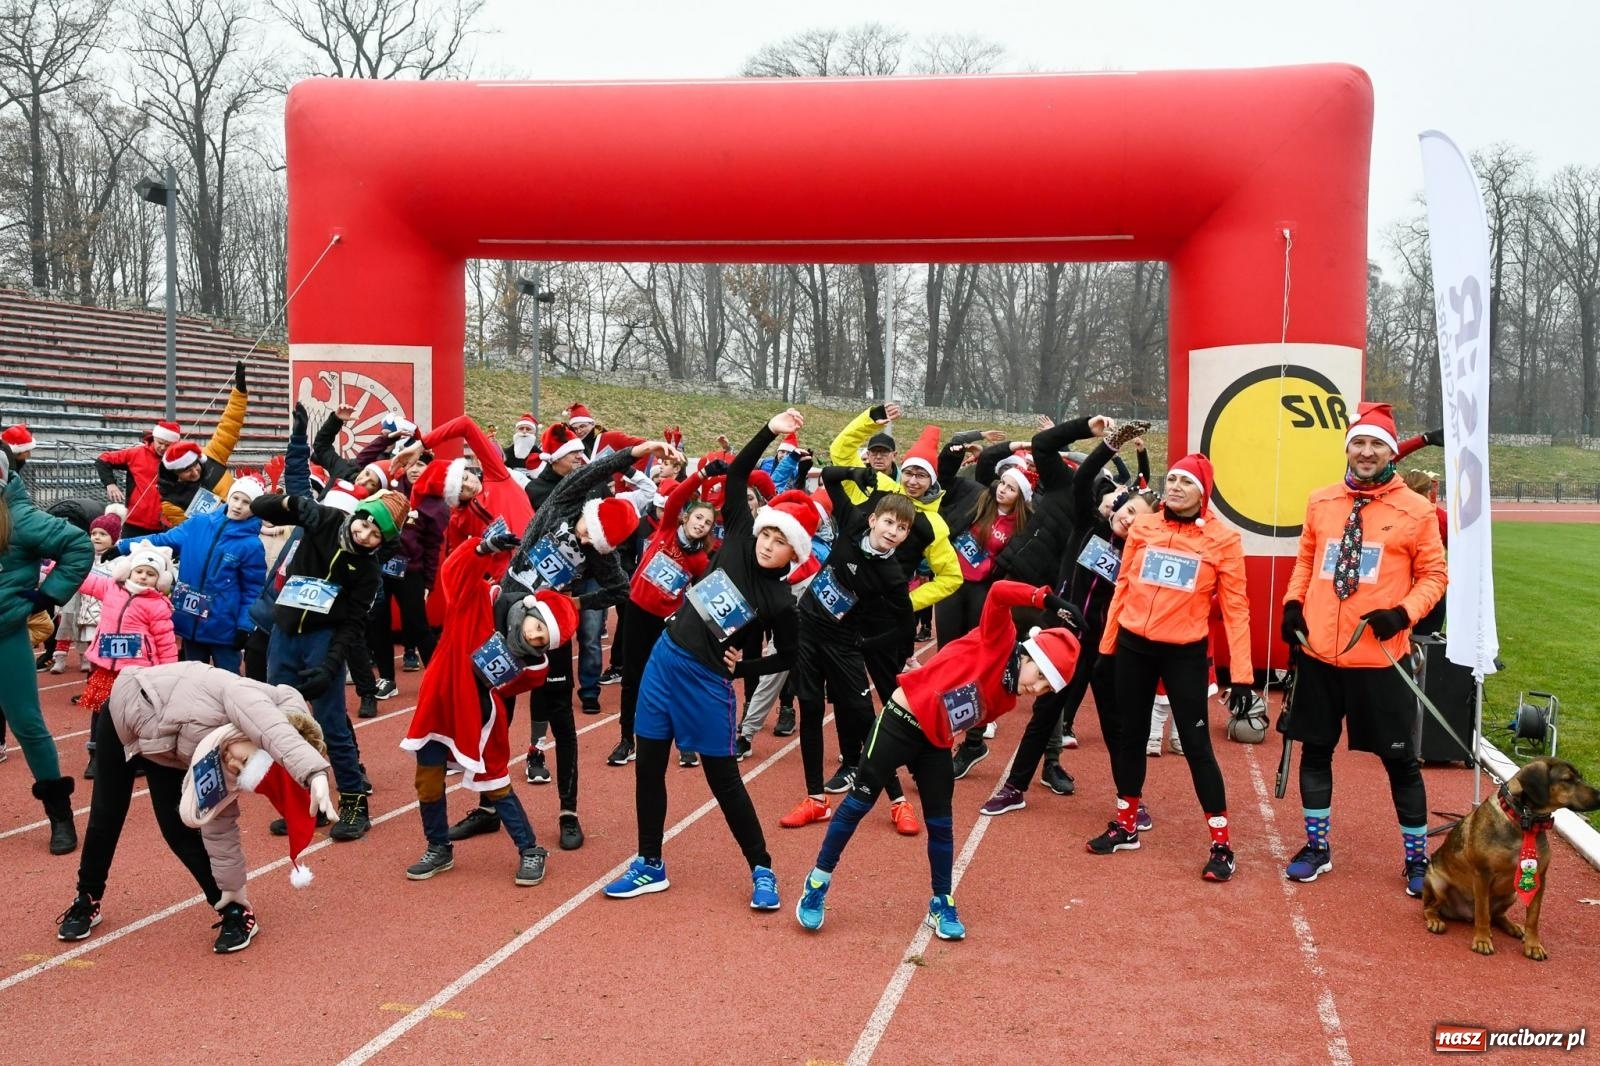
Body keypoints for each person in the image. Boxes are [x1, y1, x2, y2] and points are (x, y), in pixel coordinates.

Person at [793, 580, 1080, 938]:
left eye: (1045, 689)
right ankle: (817, 883)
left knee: (942, 824)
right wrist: (1045, 598)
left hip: (935, 744)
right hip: (900, 720)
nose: (1035, 690)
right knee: (857, 805)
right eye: (1038, 677)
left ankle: (941, 901)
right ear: (1027, 655)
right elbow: (999, 592)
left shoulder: (1007, 699)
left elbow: (964, 711)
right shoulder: (999, 638)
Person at [604, 409, 809, 911]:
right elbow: (737, 474)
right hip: (664, 660)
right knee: (648, 768)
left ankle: (762, 868)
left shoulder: (781, 602)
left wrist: (744, 669)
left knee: (724, 781)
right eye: (769, 533)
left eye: (781, 541)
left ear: (793, 553)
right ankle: (650, 863)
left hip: (707, 684)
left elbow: (792, 655)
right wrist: (769, 430)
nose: (769, 543)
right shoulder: (738, 532)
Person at [447, 435, 677, 850]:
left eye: (596, 544)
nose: (587, 542)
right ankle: (486, 806)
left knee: (561, 719)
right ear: (588, 513)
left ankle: (568, 812)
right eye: (589, 533)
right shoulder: (562, 505)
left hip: (548, 630)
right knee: (495, 709)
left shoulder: (599, 554)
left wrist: (575, 601)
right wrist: (638, 452)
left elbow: (621, 591)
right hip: (505, 620)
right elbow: (591, 471)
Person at [1279, 402, 1448, 897]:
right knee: (1316, 751)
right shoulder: (1321, 501)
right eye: (1359, 443)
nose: (1366, 452)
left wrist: (1403, 613)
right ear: (1348, 448)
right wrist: (1293, 605)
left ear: (1391, 452)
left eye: (1376, 444)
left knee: (1400, 762)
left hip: (1379, 658)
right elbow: (1306, 561)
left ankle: (1416, 860)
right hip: (1320, 657)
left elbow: (1435, 575)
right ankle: (1317, 847)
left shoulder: (1416, 510)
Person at [55, 661, 340, 953]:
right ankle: (87, 898)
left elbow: (220, 828)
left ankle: (234, 910)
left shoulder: (224, 759)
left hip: (166, 749)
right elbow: (275, 730)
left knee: (178, 828)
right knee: (105, 815)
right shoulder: (246, 698)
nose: (234, 764)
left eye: (241, 772)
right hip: (122, 714)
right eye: (244, 760)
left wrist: (234, 893)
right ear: (255, 741)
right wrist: (314, 772)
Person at [1088, 453, 1254, 882]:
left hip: (1184, 654)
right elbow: (1123, 587)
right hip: (1132, 647)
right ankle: (1126, 824)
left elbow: (1236, 610)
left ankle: (1221, 845)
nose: (1176, 486)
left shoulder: (1224, 540)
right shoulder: (1144, 527)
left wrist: (1242, 675)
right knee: (1130, 738)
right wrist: (1107, 651)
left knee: (1198, 748)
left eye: (1187, 482)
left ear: (1204, 491)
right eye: (1173, 479)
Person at [400, 530, 577, 887]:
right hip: (438, 703)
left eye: (546, 640)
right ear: (530, 610)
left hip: (480, 715)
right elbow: (452, 573)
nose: (537, 637)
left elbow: (514, 684)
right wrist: (480, 549)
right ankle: (438, 846)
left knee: (495, 782)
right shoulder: (481, 599)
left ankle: (530, 849)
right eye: (539, 627)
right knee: (428, 779)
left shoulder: (534, 664)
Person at [250, 487, 410, 841]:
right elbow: (259, 507)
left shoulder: (368, 570)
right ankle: (307, 802)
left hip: (322, 642)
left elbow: (353, 625)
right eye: (365, 524)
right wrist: (291, 504)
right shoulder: (324, 519)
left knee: (331, 723)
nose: (365, 535)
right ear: (358, 514)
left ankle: (354, 803)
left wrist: (329, 667)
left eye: (376, 535)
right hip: (285, 634)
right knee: (284, 724)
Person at [777, 470, 916, 830]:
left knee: (865, 719)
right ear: (873, 519)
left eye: (901, 529)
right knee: (809, 710)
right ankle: (815, 799)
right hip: (806, 630)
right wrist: (855, 473)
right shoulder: (852, 522)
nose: (893, 532)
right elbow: (830, 479)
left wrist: (867, 644)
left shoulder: (893, 576)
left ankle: (898, 801)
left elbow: (905, 627)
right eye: (888, 522)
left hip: (844, 644)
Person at [0, 445, 95, 852]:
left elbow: (80, 546)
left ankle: (61, 817)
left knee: (28, 725)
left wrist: (47, 597)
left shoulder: (21, 518)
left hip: (5, 637)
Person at [609, 471, 717, 766]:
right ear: (686, 518)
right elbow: (679, 496)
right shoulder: (667, 528)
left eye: (707, 523)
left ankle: (684, 743)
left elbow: (703, 596)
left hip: (665, 624)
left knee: (670, 681)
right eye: (698, 518)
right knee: (632, 679)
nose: (701, 524)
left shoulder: (700, 561)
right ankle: (626, 740)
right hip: (636, 612)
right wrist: (702, 475)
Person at [118, 476, 267, 674]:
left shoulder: (252, 545)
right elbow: (162, 539)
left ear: (254, 508)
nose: (238, 506)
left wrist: (244, 626)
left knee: (229, 682)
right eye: (236, 498)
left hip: (223, 627)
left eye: (246, 502)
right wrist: (122, 546)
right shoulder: (198, 524)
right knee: (190, 680)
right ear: (229, 497)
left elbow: (252, 590)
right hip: (189, 622)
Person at [74, 542, 182, 780]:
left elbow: (165, 640)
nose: (144, 577)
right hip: (106, 666)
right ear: (128, 570)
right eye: (140, 571)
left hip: (137, 671)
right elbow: (83, 580)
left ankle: (135, 757)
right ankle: (96, 755)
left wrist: (169, 672)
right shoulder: (111, 588)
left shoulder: (158, 605)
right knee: (100, 710)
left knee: (134, 714)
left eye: (151, 574)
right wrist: (50, 567)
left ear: (160, 580)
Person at [155, 360, 251, 528]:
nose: (195, 472)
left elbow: (229, 425)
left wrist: (240, 392)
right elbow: (191, 531)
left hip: (249, 523)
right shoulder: (171, 502)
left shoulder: (212, 455)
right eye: (186, 471)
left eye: (195, 465)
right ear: (175, 474)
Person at [96, 419, 184, 538]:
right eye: (160, 443)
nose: (163, 447)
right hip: (134, 522)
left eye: (168, 445)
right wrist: (110, 484)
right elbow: (103, 459)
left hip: (165, 525)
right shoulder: (136, 453)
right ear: (154, 438)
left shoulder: (180, 460)